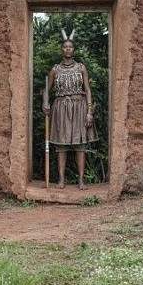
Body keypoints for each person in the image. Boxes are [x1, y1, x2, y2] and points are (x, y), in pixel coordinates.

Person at [42, 28, 97, 189]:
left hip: (79, 107)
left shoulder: (81, 68)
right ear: (62, 49)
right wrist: (45, 103)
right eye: (65, 47)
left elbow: (87, 90)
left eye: (70, 47)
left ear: (74, 50)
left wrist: (89, 111)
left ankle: (81, 180)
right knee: (61, 145)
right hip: (60, 108)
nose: (68, 49)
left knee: (80, 145)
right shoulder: (55, 69)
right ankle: (61, 179)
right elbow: (47, 89)